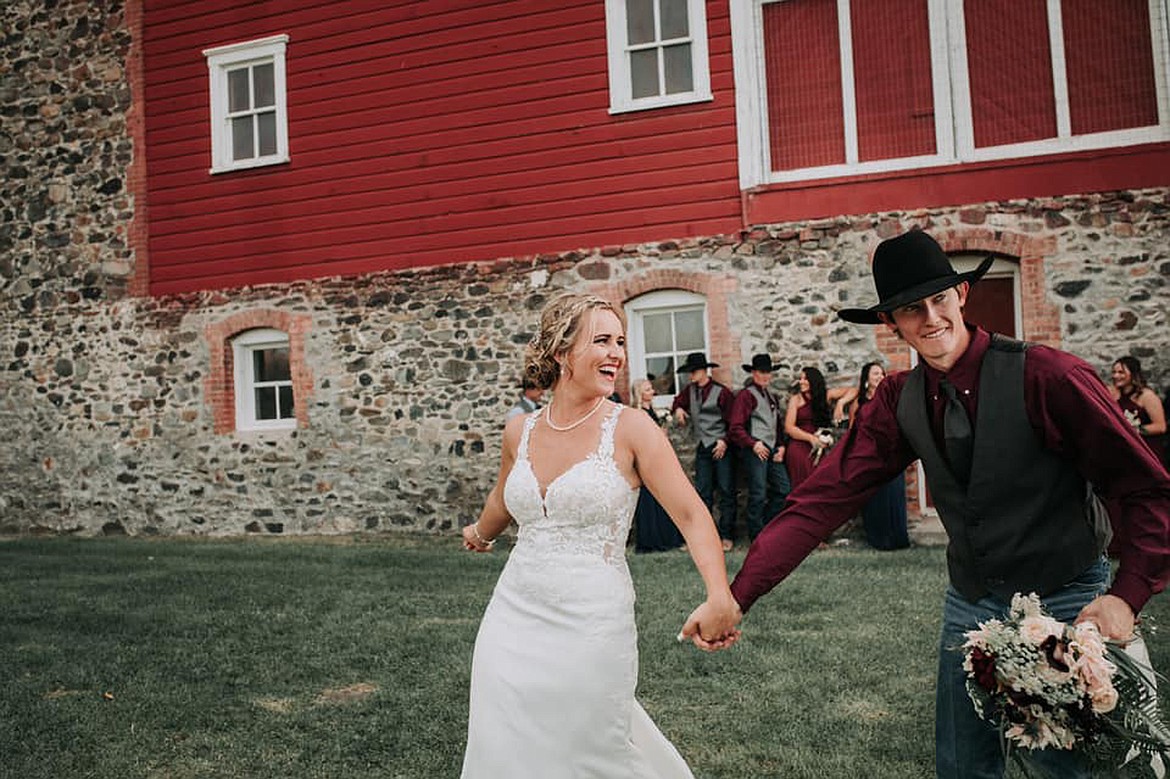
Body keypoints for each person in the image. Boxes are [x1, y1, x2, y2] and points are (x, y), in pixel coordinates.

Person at [687, 230, 1170, 779]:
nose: (931, 318)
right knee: (962, 762)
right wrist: (737, 596)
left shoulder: (1049, 377)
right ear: (890, 323)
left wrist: (1126, 597)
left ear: (962, 294)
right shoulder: (898, 401)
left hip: (1065, 593)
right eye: (911, 309)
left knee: (1060, 765)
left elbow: (1146, 487)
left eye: (940, 299)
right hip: (972, 599)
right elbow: (817, 504)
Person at [460, 292, 741, 778]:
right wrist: (480, 533)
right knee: (504, 744)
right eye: (603, 341)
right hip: (512, 615)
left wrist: (719, 595)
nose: (617, 353)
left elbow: (693, 516)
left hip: (592, 622)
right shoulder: (519, 431)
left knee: (590, 746)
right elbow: (504, 497)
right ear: (562, 352)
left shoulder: (631, 429)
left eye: (621, 342)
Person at [671, 352, 737, 551]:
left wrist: (725, 441)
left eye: (693, 371)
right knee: (702, 494)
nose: (690, 375)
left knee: (726, 491)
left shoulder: (722, 392)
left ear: (703, 371)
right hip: (702, 447)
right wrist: (678, 409)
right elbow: (677, 402)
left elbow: (734, 423)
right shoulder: (689, 392)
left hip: (721, 448)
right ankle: (704, 537)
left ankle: (727, 536)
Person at [846, 361, 910, 550]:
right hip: (869, 454)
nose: (880, 377)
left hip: (891, 451)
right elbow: (853, 431)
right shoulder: (859, 402)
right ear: (866, 378)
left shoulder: (891, 398)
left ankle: (898, 538)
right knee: (875, 496)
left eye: (882, 373)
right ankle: (879, 539)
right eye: (875, 374)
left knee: (894, 495)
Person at [727, 354, 790, 541]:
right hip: (755, 451)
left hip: (772, 450)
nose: (766, 376)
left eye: (768, 372)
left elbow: (776, 426)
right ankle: (756, 535)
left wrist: (781, 446)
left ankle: (766, 526)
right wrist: (753, 444)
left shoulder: (771, 396)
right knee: (758, 493)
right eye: (762, 372)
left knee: (784, 489)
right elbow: (735, 429)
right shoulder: (746, 396)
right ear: (753, 373)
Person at [632, 378, 685, 552]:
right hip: (646, 461)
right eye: (647, 390)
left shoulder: (651, 410)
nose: (652, 392)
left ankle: (667, 537)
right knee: (649, 499)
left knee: (662, 498)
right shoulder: (638, 413)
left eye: (651, 389)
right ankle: (652, 540)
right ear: (640, 393)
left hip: (657, 458)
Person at [783, 366, 852, 490]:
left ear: (813, 381)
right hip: (800, 442)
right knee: (805, 476)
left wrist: (841, 403)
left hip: (821, 441)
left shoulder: (826, 395)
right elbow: (789, 427)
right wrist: (811, 438)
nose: (801, 382)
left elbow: (854, 390)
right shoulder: (796, 399)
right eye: (800, 378)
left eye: (805, 379)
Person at [1110, 356, 1166, 462]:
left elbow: (1160, 426)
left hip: (1146, 450)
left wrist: (1133, 429)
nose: (1116, 376)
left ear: (1133, 374)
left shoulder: (1147, 396)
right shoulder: (1113, 393)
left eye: (1121, 372)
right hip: (1124, 451)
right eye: (1114, 372)